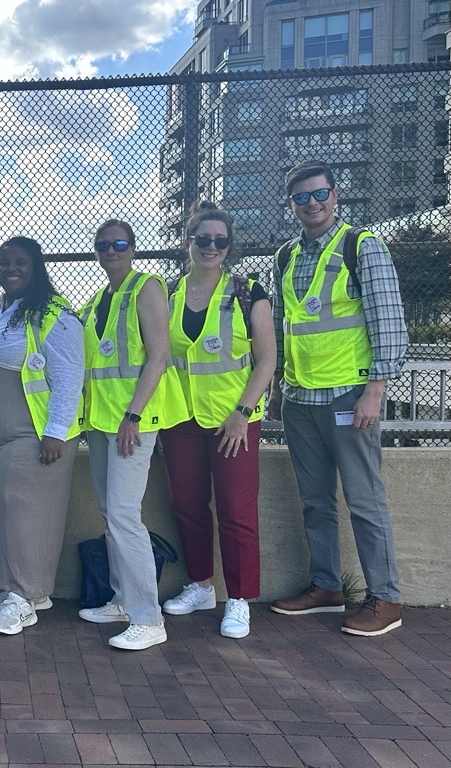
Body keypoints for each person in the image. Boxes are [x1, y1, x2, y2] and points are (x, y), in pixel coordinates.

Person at [268, 159, 407, 637]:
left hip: (350, 395)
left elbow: (387, 321)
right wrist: (277, 390)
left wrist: (375, 391)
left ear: (335, 193)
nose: (313, 203)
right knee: (315, 500)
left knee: (364, 499)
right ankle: (326, 587)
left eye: (320, 193)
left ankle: (385, 599)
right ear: (290, 205)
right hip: (300, 398)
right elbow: (284, 329)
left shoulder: (361, 246)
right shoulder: (285, 256)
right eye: (302, 197)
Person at [158, 203, 276, 639]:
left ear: (229, 244)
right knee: (187, 506)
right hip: (179, 419)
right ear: (188, 241)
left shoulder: (248, 292)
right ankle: (201, 586)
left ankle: (240, 599)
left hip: (233, 422)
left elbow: (266, 361)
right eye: (202, 239)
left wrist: (242, 414)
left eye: (219, 240)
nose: (211, 247)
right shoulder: (167, 293)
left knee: (236, 511)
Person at [0, 236, 84, 636]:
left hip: (27, 432)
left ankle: (23, 596)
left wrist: (56, 432)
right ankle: (20, 588)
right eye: (3, 262)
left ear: (37, 267)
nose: (10, 269)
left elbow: (68, 377)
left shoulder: (54, 314)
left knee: (23, 512)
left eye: (20, 262)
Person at [76, 220, 184, 651]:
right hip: (103, 421)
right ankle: (122, 601)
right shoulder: (100, 298)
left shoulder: (146, 288)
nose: (110, 251)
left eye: (119, 243)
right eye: (103, 245)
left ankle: (148, 617)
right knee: (110, 511)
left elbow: (158, 355)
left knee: (124, 514)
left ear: (133, 247)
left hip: (132, 422)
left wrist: (134, 415)